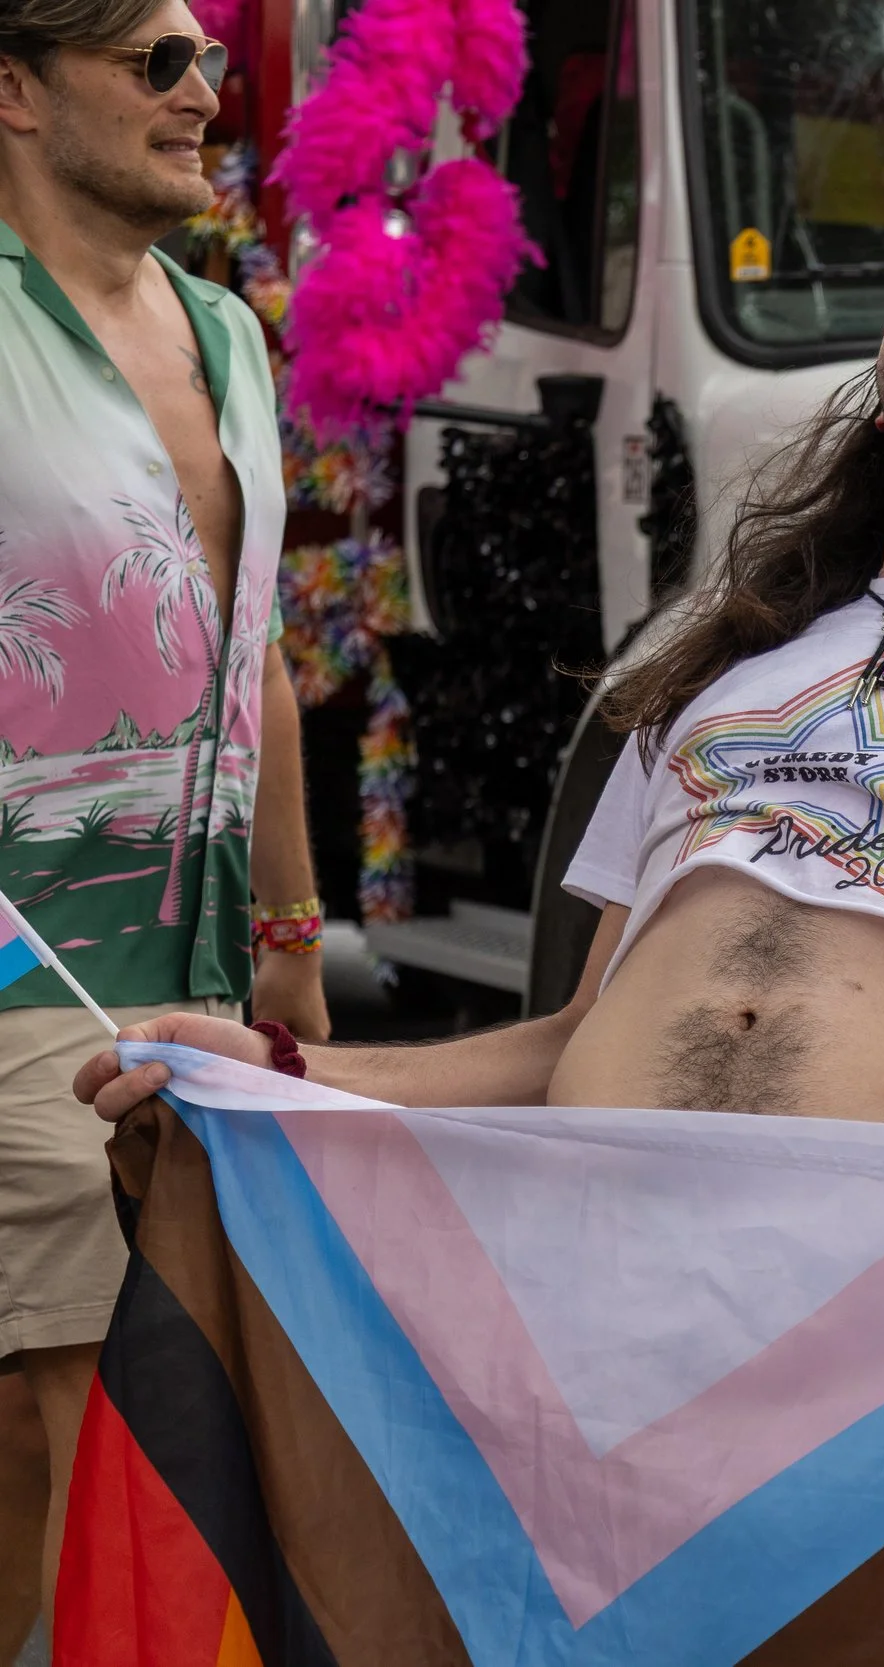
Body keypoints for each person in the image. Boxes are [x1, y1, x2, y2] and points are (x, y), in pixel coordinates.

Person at [81, 185, 884, 1297]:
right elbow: (565, 1039)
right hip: (592, 1281)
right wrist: (286, 1066)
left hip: (872, 1316)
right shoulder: (704, 676)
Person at [0, 0, 330, 1647]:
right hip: (24, 976)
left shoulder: (228, 331)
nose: (207, 93)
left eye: (212, 63)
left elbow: (254, 647)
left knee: (71, 1443)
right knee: (98, 1415)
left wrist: (294, 944)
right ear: (14, 88)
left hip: (203, 985)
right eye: (157, 60)